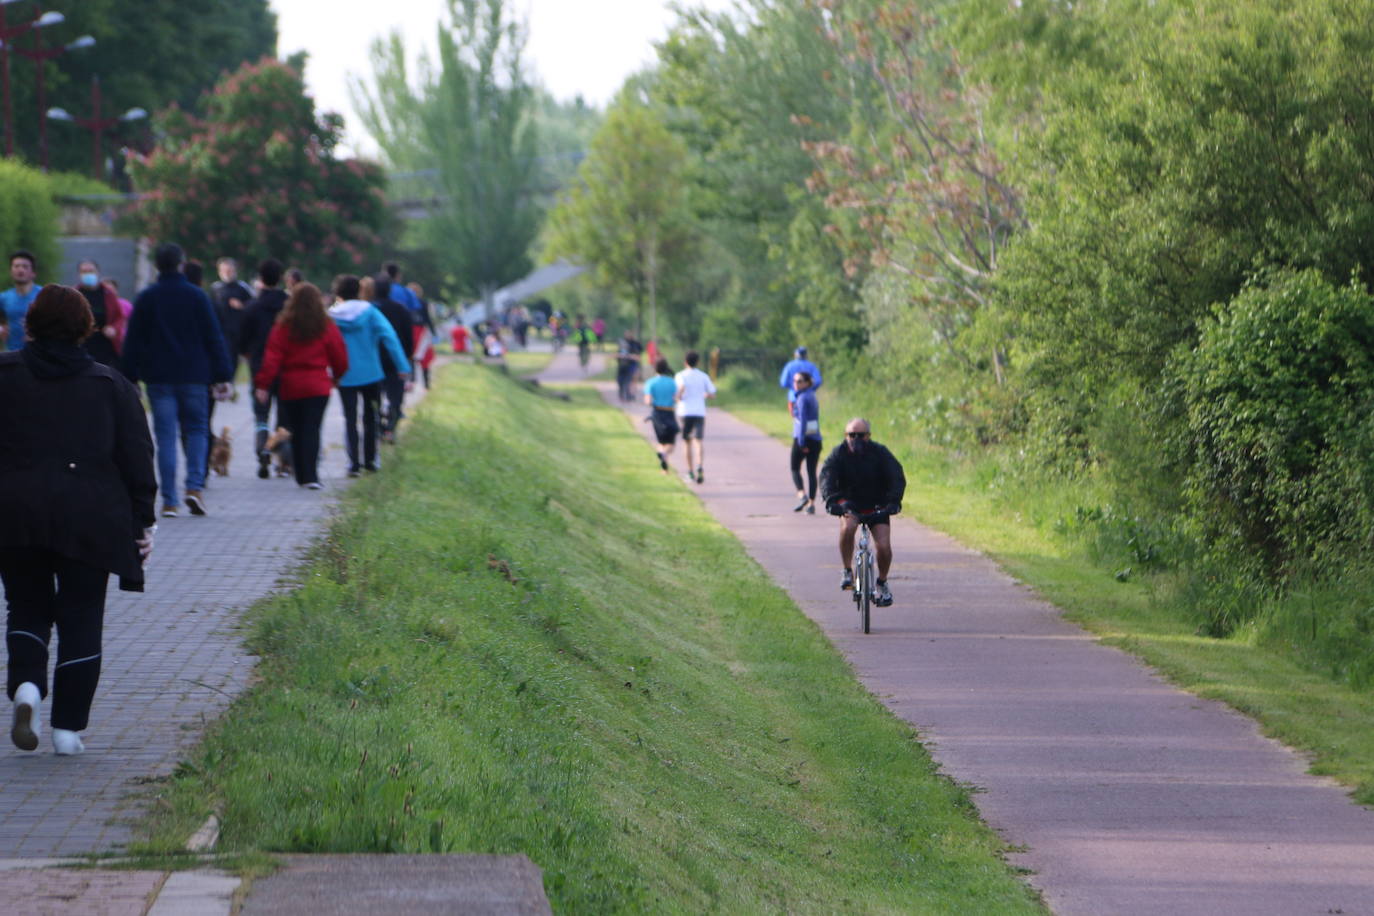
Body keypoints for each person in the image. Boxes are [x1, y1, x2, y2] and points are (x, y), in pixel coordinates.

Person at [0, 285, 157, 755]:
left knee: (25, 605)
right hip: (90, 515)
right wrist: (141, 522)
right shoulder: (110, 385)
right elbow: (137, 458)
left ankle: (27, 687)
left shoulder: (3, 375)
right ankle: (68, 729)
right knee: (82, 614)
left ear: (30, 324)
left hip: (15, 511)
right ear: (86, 327)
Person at [122, 243, 234, 517]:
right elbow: (213, 337)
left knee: (165, 437)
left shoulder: (147, 297)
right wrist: (223, 375)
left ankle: (170, 500)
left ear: (158, 266)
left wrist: (130, 377)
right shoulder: (197, 296)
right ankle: (194, 487)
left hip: (159, 378)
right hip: (195, 376)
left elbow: (133, 341)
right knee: (197, 430)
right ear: (181, 264)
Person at [254, 282, 348, 489]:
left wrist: (263, 385)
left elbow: (272, 358)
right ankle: (312, 476)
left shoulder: (283, 326)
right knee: (312, 429)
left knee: (295, 429)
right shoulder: (326, 325)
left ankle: (301, 474)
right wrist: (337, 376)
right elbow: (339, 355)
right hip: (318, 385)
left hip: (291, 385)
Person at [328, 275, 410, 476]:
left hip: (344, 374)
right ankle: (371, 461)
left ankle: (353, 464)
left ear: (337, 293)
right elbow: (389, 337)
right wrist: (402, 366)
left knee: (349, 418)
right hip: (371, 373)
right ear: (359, 291)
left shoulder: (331, 315)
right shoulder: (370, 312)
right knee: (370, 416)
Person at [819, 418, 906, 607]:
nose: (856, 439)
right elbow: (827, 477)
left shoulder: (880, 453)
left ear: (869, 436)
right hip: (849, 504)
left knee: (883, 546)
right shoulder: (838, 454)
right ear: (845, 436)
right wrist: (832, 501)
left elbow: (896, 476)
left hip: (877, 504)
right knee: (848, 528)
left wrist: (893, 502)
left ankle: (882, 583)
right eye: (852, 435)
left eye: (861, 435)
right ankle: (847, 570)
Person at [238, 259, 290, 479]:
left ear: (260, 279)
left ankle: (262, 450)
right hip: (287, 367)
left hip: (259, 367)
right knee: (284, 416)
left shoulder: (252, 307)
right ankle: (282, 461)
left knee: (261, 414)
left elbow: (241, 341)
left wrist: (250, 355)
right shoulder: (289, 305)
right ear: (280, 278)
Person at [371, 274, 415, 443]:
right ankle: (390, 427)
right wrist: (408, 355)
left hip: (374, 359)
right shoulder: (401, 309)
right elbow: (408, 336)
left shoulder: (369, 309)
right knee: (395, 396)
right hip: (396, 359)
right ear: (390, 290)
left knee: (375, 396)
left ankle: (377, 427)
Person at [75, 259, 126, 371]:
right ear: (79, 274)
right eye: (84, 271)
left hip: (105, 347)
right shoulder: (74, 294)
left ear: (98, 273)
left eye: (91, 271)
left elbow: (119, 316)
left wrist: (114, 328)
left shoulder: (108, 293)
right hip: (82, 346)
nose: (88, 274)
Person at [674, 350, 717, 484]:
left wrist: (678, 397)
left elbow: (681, 387)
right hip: (699, 411)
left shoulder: (681, 375)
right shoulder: (703, 376)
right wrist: (705, 395)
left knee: (687, 442)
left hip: (685, 411)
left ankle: (690, 472)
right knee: (698, 441)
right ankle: (700, 466)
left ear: (685, 362)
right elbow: (712, 393)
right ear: (697, 362)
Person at [210, 257, 252, 372]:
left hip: (239, 333)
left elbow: (253, 307)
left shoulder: (242, 288)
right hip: (221, 332)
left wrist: (242, 306)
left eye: (230, 271)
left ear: (235, 271)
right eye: (224, 271)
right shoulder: (215, 288)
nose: (227, 273)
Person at [790, 370, 822, 514]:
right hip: (816, 439)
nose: (796, 384)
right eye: (795, 381)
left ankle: (802, 495)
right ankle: (811, 503)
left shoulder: (802, 398)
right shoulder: (812, 396)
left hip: (803, 438)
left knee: (795, 468)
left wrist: (802, 442)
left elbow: (803, 420)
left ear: (807, 383)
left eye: (800, 381)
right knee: (811, 471)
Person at [643, 358, 680, 473]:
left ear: (655, 368)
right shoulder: (672, 382)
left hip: (657, 413)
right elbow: (677, 398)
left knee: (661, 441)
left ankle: (664, 468)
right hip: (669, 412)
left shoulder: (650, 382)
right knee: (671, 443)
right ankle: (663, 456)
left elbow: (648, 401)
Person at [0, 250, 40, 352]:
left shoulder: (43, 296)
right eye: (16, 266)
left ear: (33, 273)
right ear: (11, 271)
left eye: (25, 266)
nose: (20, 270)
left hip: (38, 355)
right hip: (11, 353)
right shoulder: (4, 298)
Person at [406, 281, 437, 388]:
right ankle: (425, 383)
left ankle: (412, 380)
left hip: (410, 331)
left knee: (411, 357)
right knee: (424, 358)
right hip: (420, 332)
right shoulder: (423, 303)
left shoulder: (405, 304)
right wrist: (433, 332)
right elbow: (428, 319)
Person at [779, 346, 822, 414]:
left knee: (797, 421)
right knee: (809, 420)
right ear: (806, 355)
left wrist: (794, 387)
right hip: (809, 398)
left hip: (793, 398)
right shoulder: (811, 366)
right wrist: (809, 389)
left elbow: (783, 383)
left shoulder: (789, 366)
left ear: (795, 355)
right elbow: (818, 381)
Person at [615, 329, 642, 402]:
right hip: (622, 365)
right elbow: (618, 353)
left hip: (631, 365)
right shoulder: (622, 343)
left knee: (629, 381)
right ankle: (622, 394)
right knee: (620, 380)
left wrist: (630, 356)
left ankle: (628, 395)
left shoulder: (635, 344)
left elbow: (638, 356)